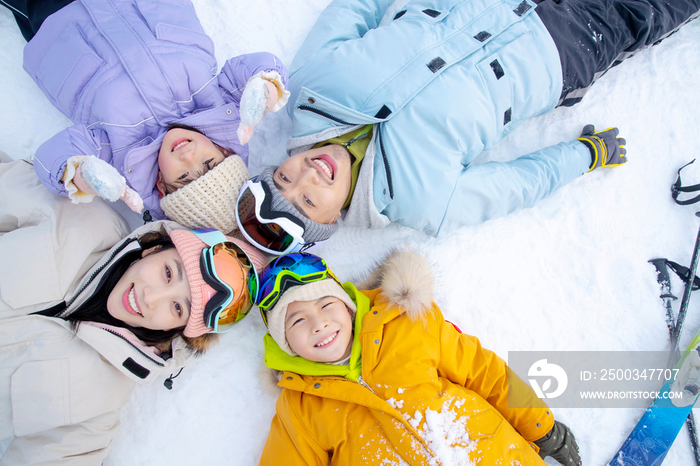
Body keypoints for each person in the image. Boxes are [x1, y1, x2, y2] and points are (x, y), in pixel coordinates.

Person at [234, 0, 699, 254]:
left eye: (284, 178)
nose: (309, 175)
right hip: (555, 48)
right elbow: (515, 185)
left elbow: (356, 8)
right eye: (309, 200)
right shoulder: (423, 202)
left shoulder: (314, 84)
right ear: (332, 219)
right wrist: (584, 155)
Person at [0, 155, 266, 464]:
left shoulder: (97, 405)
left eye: (178, 308)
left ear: (176, 331)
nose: (151, 298)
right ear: (155, 248)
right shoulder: (79, 218)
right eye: (168, 273)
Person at [255, 250, 581, 465]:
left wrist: (541, 426)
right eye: (297, 320)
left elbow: (486, 372)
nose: (319, 323)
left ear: (348, 305)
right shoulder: (300, 407)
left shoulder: (408, 325)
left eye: (326, 305)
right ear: (284, 343)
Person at [3, 0, 290, 233]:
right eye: (208, 162)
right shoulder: (221, 107)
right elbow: (252, 68)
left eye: (183, 176)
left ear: (161, 186)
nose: (189, 156)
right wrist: (267, 85)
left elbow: (55, 153)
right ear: (225, 150)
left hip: (63, 23)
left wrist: (78, 175)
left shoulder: (122, 155)